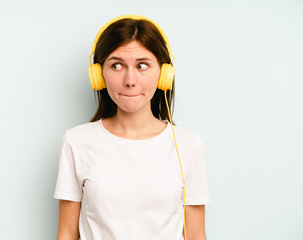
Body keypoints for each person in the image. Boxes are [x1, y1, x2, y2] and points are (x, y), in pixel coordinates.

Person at [54, 15, 210, 240]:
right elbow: (67, 234)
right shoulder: (76, 142)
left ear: (164, 74)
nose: (130, 80)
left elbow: (195, 235)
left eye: (142, 65)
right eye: (116, 65)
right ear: (98, 74)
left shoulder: (187, 145)